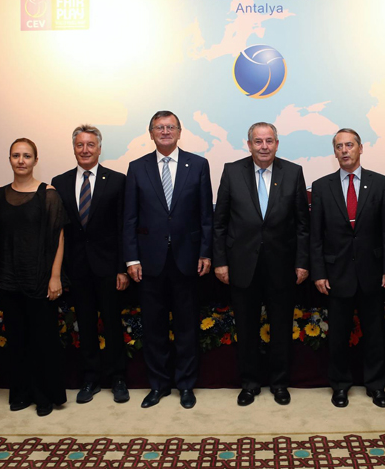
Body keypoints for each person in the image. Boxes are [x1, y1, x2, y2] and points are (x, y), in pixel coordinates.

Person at [213, 122, 310, 407]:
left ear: (277, 144)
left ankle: (279, 383)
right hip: (242, 265)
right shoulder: (232, 171)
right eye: (258, 141)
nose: (264, 146)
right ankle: (250, 383)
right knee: (246, 329)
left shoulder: (293, 172)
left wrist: (302, 262)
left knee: (281, 328)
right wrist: (220, 262)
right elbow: (220, 223)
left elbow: (302, 224)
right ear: (249, 144)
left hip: (282, 265)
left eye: (269, 141)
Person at [123, 111, 213, 410]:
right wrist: (131, 258)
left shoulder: (198, 164)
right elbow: (130, 217)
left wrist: (205, 252)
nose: (165, 131)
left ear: (179, 131)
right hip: (149, 262)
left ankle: (186, 385)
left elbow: (206, 215)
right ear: (151, 133)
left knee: (187, 327)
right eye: (159, 127)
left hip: (187, 259)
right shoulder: (137, 167)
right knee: (154, 328)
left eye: (170, 127)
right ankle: (158, 385)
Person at [310, 128, 385, 408]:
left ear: (360, 148)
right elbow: (315, 236)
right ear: (334, 152)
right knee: (338, 335)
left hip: (373, 272)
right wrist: (319, 272)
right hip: (336, 274)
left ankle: (376, 386)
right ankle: (340, 386)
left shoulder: (380, 183)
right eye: (339, 146)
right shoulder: (321, 186)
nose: (344, 150)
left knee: (375, 334)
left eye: (349, 145)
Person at [0, 138, 68, 417]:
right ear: (9, 159)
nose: (21, 161)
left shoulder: (48, 194)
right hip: (8, 278)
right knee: (17, 339)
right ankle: (21, 393)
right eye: (16, 155)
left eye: (27, 156)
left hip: (40, 278)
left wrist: (55, 277)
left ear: (35, 160)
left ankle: (45, 396)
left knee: (42, 340)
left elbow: (58, 238)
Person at [52, 125, 130, 404]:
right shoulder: (59, 182)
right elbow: (59, 230)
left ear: (99, 148)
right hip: (77, 268)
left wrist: (122, 268)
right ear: (74, 148)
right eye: (80, 145)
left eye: (90, 145)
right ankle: (90, 379)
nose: (85, 150)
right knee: (85, 325)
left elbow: (123, 227)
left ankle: (118, 378)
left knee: (112, 324)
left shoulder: (117, 181)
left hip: (109, 267)